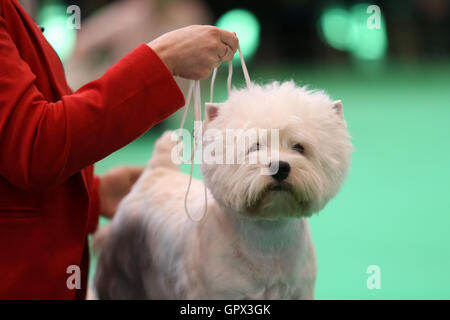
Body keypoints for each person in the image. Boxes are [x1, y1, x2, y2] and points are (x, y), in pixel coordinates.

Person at [0, 0, 238, 299]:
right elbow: (35, 145)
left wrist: (92, 195)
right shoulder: (125, 19)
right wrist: (161, 62)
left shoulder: (190, 14)